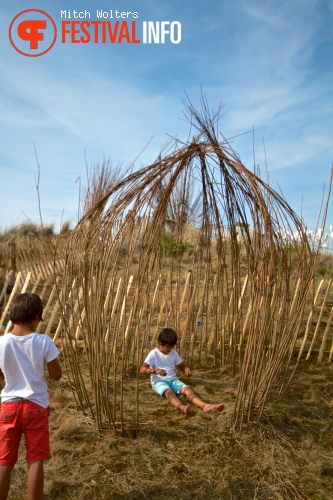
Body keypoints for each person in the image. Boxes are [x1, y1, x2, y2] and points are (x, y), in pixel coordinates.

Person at [0, 293, 62, 500]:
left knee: (4, 460)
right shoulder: (44, 341)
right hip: (36, 406)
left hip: (9, 407)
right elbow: (56, 375)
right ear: (37, 316)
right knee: (35, 460)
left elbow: (1, 375)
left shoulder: (2, 342)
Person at [140, 327, 224, 415]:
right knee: (169, 393)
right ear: (161, 342)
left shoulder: (173, 354)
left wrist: (186, 370)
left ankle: (205, 406)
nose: (170, 349)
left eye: (172, 347)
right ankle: (181, 407)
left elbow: (182, 366)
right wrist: (154, 370)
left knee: (188, 390)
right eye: (168, 347)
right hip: (159, 381)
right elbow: (142, 369)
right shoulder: (154, 354)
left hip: (173, 380)